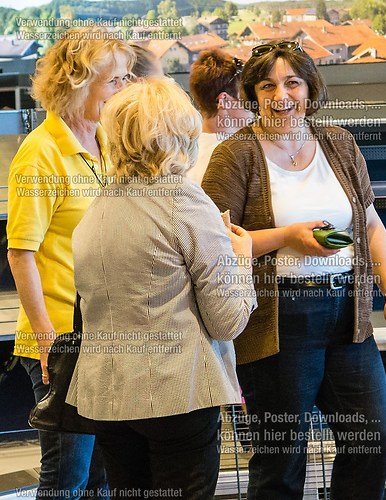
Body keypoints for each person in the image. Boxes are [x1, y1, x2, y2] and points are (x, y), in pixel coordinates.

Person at [202, 40, 386, 500]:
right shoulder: (234, 155)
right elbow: (213, 245)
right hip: (277, 322)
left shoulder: (338, 142)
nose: (281, 95)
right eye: (268, 85)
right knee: (281, 460)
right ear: (252, 94)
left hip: (347, 316)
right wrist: (287, 237)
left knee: (371, 437)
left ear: (309, 87)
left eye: (292, 82)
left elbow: (370, 223)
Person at [66, 77, 257, 500]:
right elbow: (227, 321)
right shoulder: (184, 200)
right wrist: (240, 257)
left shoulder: (97, 208)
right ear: (179, 133)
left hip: (108, 398)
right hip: (177, 393)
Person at [7, 27, 135, 500]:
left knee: (103, 479)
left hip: (107, 334)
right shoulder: (39, 154)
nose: (123, 90)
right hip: (60, 340)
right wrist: (45, 340)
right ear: (77, 83)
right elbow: (20, 252)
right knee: (66, 480)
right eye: (114, 81)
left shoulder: (108, 140)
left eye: (126, 79)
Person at [187, 48, 252, 184]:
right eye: (246, 97)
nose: (254, 105)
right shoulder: (232, 156)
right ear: (224, 100)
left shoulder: (184, 150)